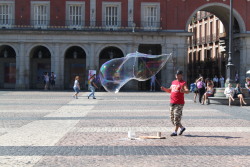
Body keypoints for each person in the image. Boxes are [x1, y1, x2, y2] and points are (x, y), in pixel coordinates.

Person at [161, 70, 189, 136]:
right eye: (176, 75)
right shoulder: (173, 82)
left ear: (181, 75)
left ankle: (175, 132)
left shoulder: (183, 83)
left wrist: (183, 91)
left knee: (176, 117)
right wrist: (164, 89)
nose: (177, 76)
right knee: (172, 118)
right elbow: (170, 90)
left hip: (179, 103)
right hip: (172, 102)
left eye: (179, 75)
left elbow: (187, 91)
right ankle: (182, 128)